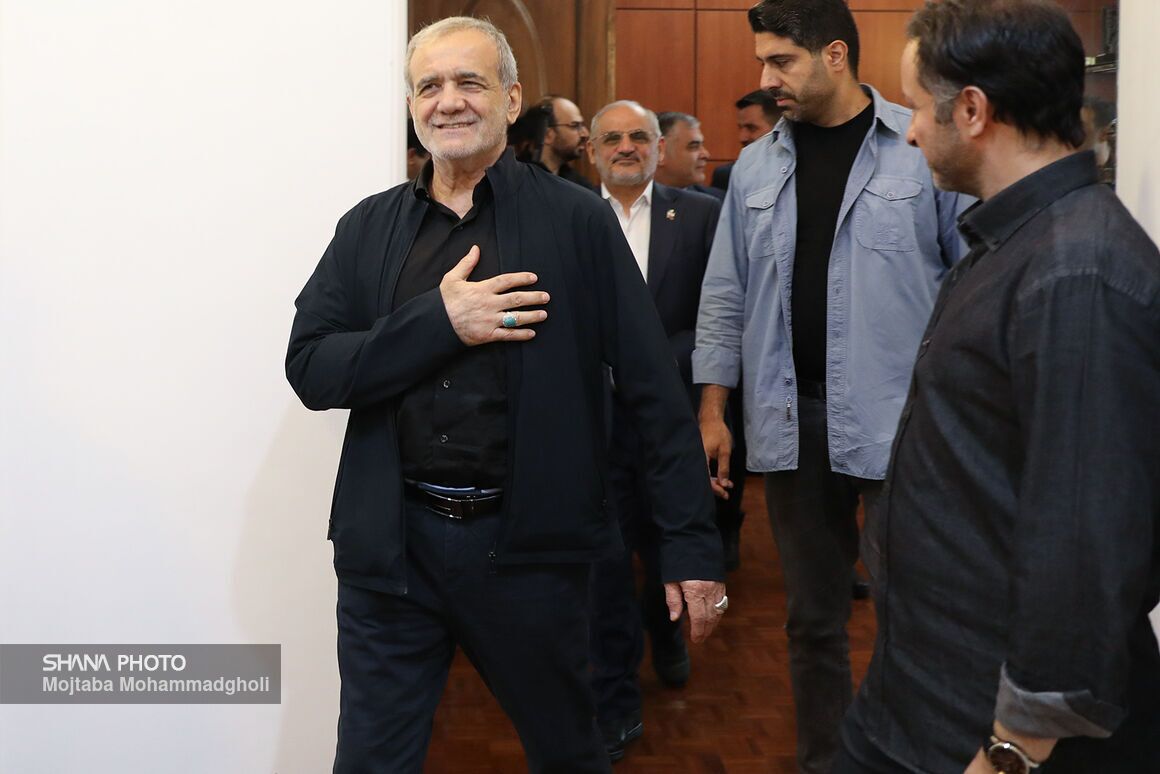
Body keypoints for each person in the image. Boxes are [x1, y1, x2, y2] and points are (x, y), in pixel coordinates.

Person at [285, 17, 726, 774]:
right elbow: (312, 368)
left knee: (569, 754)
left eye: (470, 82)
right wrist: (440, 323)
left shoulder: (578, 221)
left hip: (532, 556)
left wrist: (689, 544)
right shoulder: (368, 227)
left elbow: (653, 390)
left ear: (512, 98)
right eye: (429, 86)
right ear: (412, 105)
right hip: (392, 552)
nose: (448, 101)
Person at [838, 2, 1160, 772]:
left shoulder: (1077, 272)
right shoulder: (1017, 241)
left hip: (989, 739)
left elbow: (1084, 546)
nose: (910, 132)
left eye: (918, 107)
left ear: (973, 111)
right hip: (921, 697)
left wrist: (1013, 751)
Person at [692, 1, 965, 771]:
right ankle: (827, 761)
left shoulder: (920, 146)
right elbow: (725, 294)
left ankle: (922, 754)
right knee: (811, 621)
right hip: (790, 422)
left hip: (904, 425)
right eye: (762, 60)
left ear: (836, 55)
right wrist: (713, 409)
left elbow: (971, 279)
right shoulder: (753, 167)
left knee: (919, 615)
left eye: (781, 61)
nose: (765, 77)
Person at [584, 99, 723, 762]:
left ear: (659, 149)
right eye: (611, 138)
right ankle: (614, 700)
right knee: (604, 566)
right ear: (591, 151)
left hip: (672, 419)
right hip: (591, 425)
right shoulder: (570, 218)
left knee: (664, 544)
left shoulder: (699, 215)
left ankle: (664, 634)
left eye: (639, 136)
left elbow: (718, 316)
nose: (626, 147)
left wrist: (652, 363)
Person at [710, 89, 781, 191]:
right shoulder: (727, 175)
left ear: (779, 128)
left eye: (751, 128)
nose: (742, 138)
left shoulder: (801, 172)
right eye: (740, 128)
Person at [654, 111, 722, 199]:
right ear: (659, 152)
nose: (705, 155)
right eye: (694, 146)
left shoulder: (718, 201)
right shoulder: (637, 200)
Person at [538, 94, 596, 190]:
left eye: (582, 125)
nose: (585, 134)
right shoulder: (521, 180)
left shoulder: (580, 185)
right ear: (547, 135)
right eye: (575, 125)